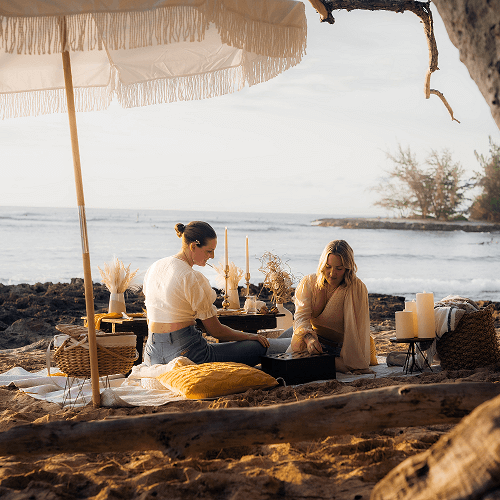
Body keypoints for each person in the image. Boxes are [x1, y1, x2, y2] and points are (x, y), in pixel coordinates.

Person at [142, 221, 290, 367]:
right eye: (209, 251)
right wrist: (251, 336)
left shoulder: (154, 267)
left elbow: (151, 318)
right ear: (193, 246)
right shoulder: (192, 277)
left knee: (266, 340)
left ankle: (297, 335)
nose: (212, 256)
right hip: (188, 354)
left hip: (152, 354)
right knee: (258, 346)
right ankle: (301, 338)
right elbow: (216, 331)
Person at [285, 240, 371, 373]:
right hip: (310, 344)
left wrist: (352, 363)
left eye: (339, 268)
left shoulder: (355, 288)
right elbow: (301, 317)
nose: (332, 273)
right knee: (268, 351)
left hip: (340, 351)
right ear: (322, 264)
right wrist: (309, 339)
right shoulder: (309, 283)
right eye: (328, 266)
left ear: (347, 268)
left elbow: (358, 330)